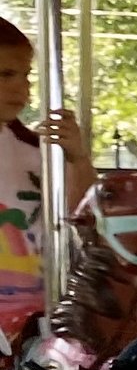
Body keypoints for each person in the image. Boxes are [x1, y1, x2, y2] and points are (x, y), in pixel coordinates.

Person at [0, 18, 93, 349]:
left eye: (25, 75)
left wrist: (77, 159)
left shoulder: (36, 150)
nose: (21, 88)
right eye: (6, 75)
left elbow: (86, 216)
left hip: (35, 317)